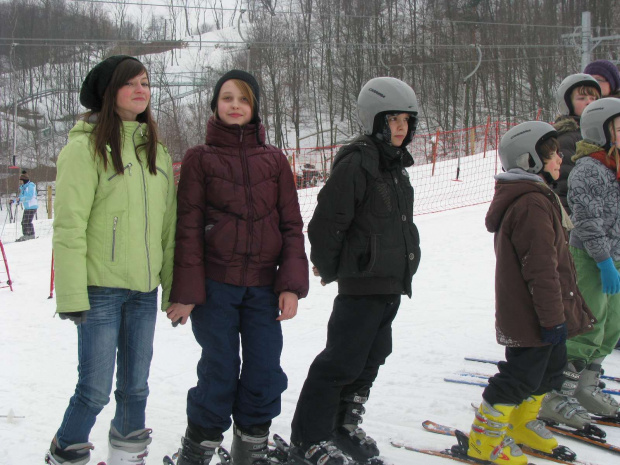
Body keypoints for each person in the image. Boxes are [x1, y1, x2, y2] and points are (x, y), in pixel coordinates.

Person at [167, 69, 309, 465]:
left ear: (254, 108)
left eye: (243, 99)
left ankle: (251, 449)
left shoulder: (275, 160)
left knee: (265, 370)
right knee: (219, 371)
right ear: (214, 105)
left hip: (264, 288)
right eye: (227, 97)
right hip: (216, 287)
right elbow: (188, 229)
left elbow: (291, 226)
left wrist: (290, 286)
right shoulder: (200, 159)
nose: (234, 105)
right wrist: (188, 294)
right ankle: (198, 448)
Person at [46, 55, 177, 465]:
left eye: (146, 83)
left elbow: (168, 229)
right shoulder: (84, 149)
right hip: (99, 289)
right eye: (131, 83)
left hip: (143, 290)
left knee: (136, 386)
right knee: (95, 389)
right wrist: (70, 295)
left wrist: (172, 287)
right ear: (109, 92)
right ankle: (66, 452)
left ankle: (127, 454)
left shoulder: (157, 152)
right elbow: (69, 227)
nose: (142, 90)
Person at [288, 77, 422, 465]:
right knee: (341, 361)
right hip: (361, 284)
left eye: (406, 121)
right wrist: (330, 267)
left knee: (374, 355)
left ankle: (343, 424)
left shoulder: (396, 166)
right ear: (375, 120)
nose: (401, 128)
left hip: (390, 283)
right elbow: (327, 222)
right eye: (393, 119)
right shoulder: (358, 162)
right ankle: (309, 436)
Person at [466, 122, 595, 465]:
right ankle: (484, 438)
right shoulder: (530, 205)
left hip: (545, 312)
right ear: (530, 160)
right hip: (531, 315)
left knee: (549, 371)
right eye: (551, 153)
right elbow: (540, 270)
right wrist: (553, 319)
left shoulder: (540, 198)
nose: (559, 158)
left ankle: (522, 424)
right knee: (520, 375)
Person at [555, 97, 620, 418]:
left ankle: (586, 386)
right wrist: (605, 262)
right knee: (588, 325)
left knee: (612, 327)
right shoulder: (587, 170)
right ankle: (560, 391)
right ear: (601, 131)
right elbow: (587, 220)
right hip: (592, 259)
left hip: (617, 258)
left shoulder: (616, 165)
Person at [552, 74, 601, 214]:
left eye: (593, 98)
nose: (589, 102)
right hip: (578, 216)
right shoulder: (567, 139)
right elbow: (562, 186)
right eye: (582, 98)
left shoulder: (601, 135)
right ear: (567, 103)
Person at [16, 169, 38, 241]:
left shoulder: (30, 186)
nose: (20, 182)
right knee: (24, 222)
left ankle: (30, 235)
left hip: (31, 206)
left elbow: (29, 196)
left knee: (26, 222)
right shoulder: (24, 188)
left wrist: (20, 200)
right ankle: (27, 234)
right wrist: (14, 201)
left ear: (24, 180)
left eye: (21, 181)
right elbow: (21, 197)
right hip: (28, 207)